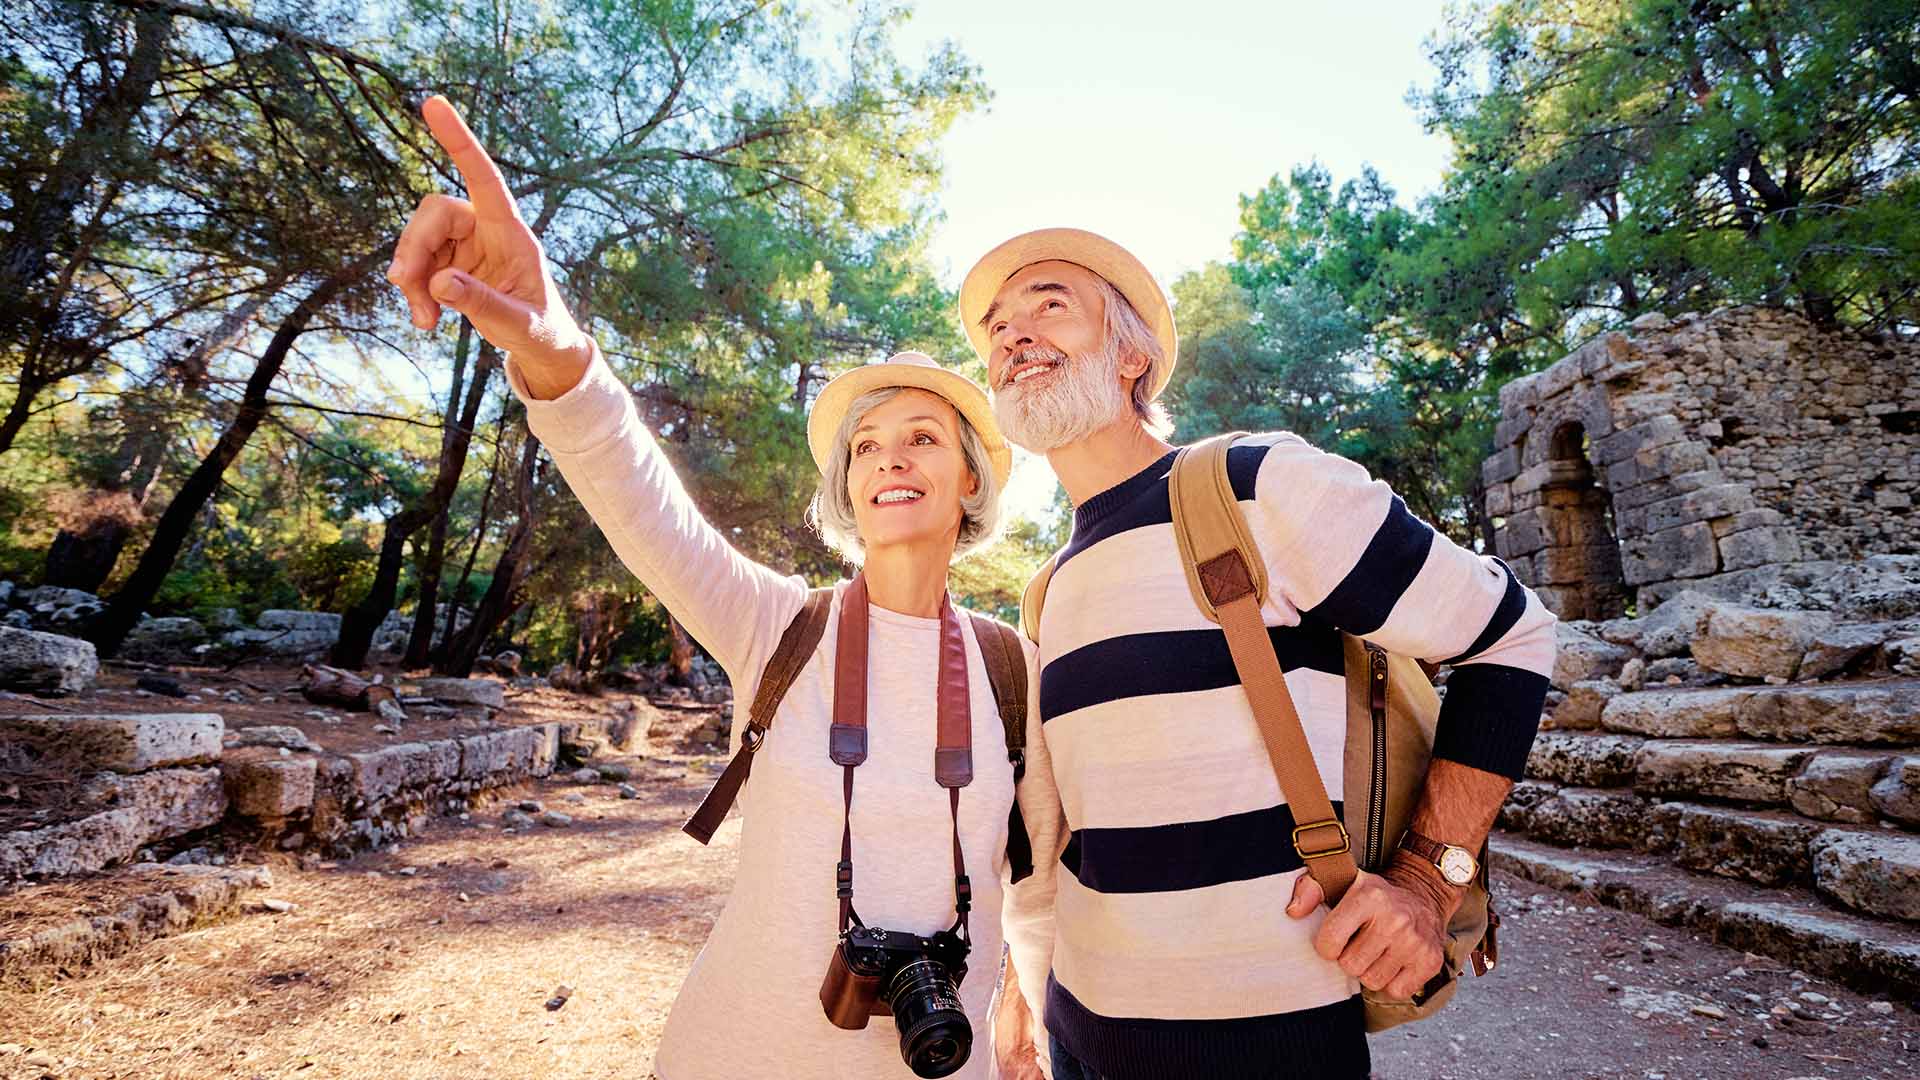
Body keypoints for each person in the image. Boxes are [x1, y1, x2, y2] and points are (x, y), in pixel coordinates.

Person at [386, 95, 1057, 1080]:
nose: (889, 459)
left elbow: (1036, 886)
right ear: (847, 488)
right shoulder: (778, 625)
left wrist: (1023, 1007)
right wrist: (555, 345)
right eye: (866, 446)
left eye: (923, 439)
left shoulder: (1015, 672)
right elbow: (637, 496)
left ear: (970, 484)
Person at [959, 229, 1559, 1080]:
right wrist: (1029, 992)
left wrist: (1429, 882)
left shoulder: (1256, 484)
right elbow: (1063, 838)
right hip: (1083, 1026)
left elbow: (1514, 634)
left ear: (1133, 355)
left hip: (1263, 1033)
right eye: (995, 326)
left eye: (1048, 305)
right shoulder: (1047, 587)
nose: (1011, 335)